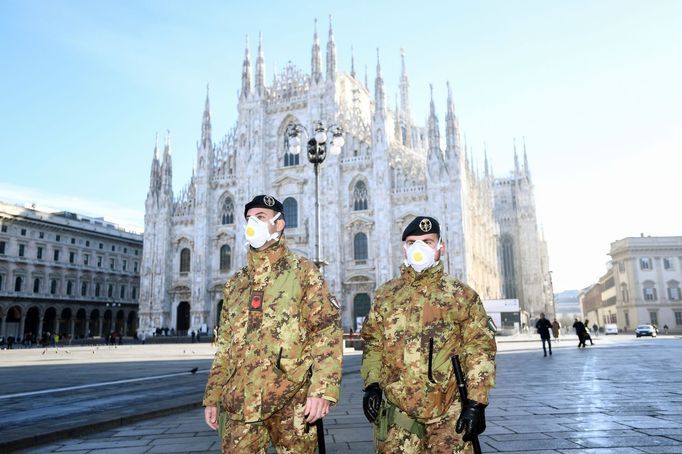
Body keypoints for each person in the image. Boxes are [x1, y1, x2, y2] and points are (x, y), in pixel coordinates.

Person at [203, 195, 343, 453]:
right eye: (249, 218)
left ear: (279, 224)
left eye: (261, 217)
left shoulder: (304, 272)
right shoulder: (235, 284)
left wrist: (322, 390)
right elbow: (224, 347)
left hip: (292, 400)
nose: (252, 224)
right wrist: (213, 396)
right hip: (240, 404)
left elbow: (326, 333)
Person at [361, 216, 496, 453]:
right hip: (398, 415)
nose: (419, 248)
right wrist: (372, 385)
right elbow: (374, 344)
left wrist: (476, 403)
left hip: (449, 412)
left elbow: (479, 349)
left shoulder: (461, 295)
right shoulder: (386, 295)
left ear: (440, 247)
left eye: (427, 241)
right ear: (404, 248)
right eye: (412, 242)